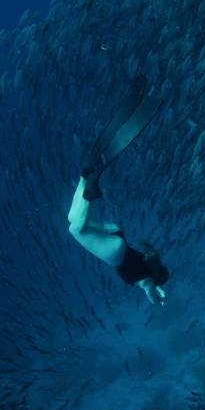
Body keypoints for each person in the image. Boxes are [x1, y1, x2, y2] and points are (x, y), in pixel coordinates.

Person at [67, 79, 170, 305]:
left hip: (117, 233)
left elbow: (153, 273)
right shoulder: (148, 282)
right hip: (116, 254)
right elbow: (151, 293)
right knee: (74, 229)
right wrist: (158, 297)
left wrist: (158, 286)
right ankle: (89, 194)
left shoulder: (151, 261)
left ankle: (84, 179)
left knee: (72, 220)